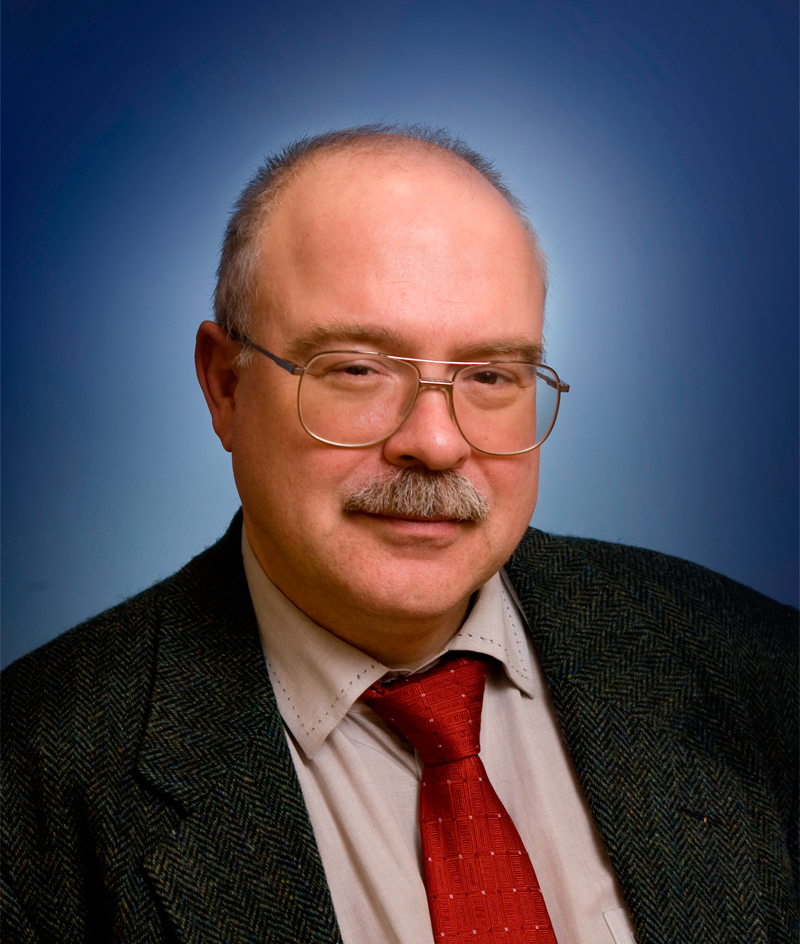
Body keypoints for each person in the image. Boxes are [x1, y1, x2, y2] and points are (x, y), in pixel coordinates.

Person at [2, 125, 796, 944]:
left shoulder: (756, 672)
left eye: (490, 375)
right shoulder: (30, 788)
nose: (437, 442)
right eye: (357, 368)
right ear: (224, 386)